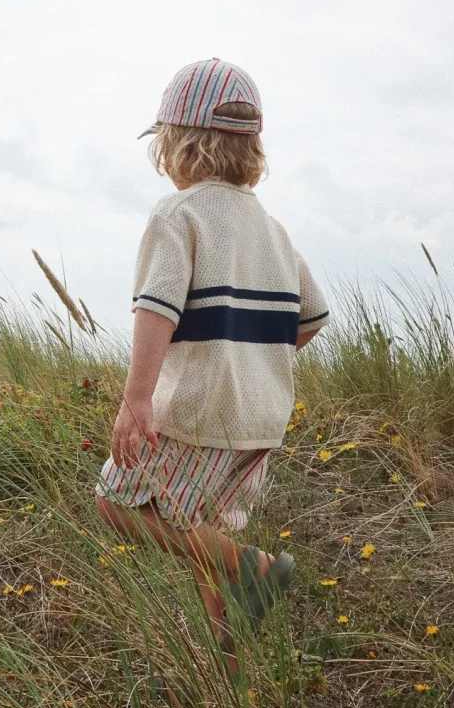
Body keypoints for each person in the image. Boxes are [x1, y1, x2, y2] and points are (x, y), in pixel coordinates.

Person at [95, 58, 329, 665]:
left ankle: (256, 567)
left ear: (176, 142)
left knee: (117, 503)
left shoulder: (179, 214)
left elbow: (156, 309)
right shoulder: (271, 228)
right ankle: (227, 665)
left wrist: (136, 399)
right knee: (202, 527)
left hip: (202, 408)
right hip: (262, 415)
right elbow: (312, 317)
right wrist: (252, 359)